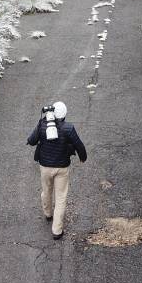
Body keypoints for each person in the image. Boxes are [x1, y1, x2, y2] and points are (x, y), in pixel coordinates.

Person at [26, 101, 87, 239]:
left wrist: (41, 123)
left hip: (45, 167)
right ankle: (57, 230)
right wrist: (83, 157)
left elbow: (32, 140)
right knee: (60, 197)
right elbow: (79, 145)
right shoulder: (68, 128)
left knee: (46, 190)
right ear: (65, 114)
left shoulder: (42, 124)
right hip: (62, 168)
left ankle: (48, 214)